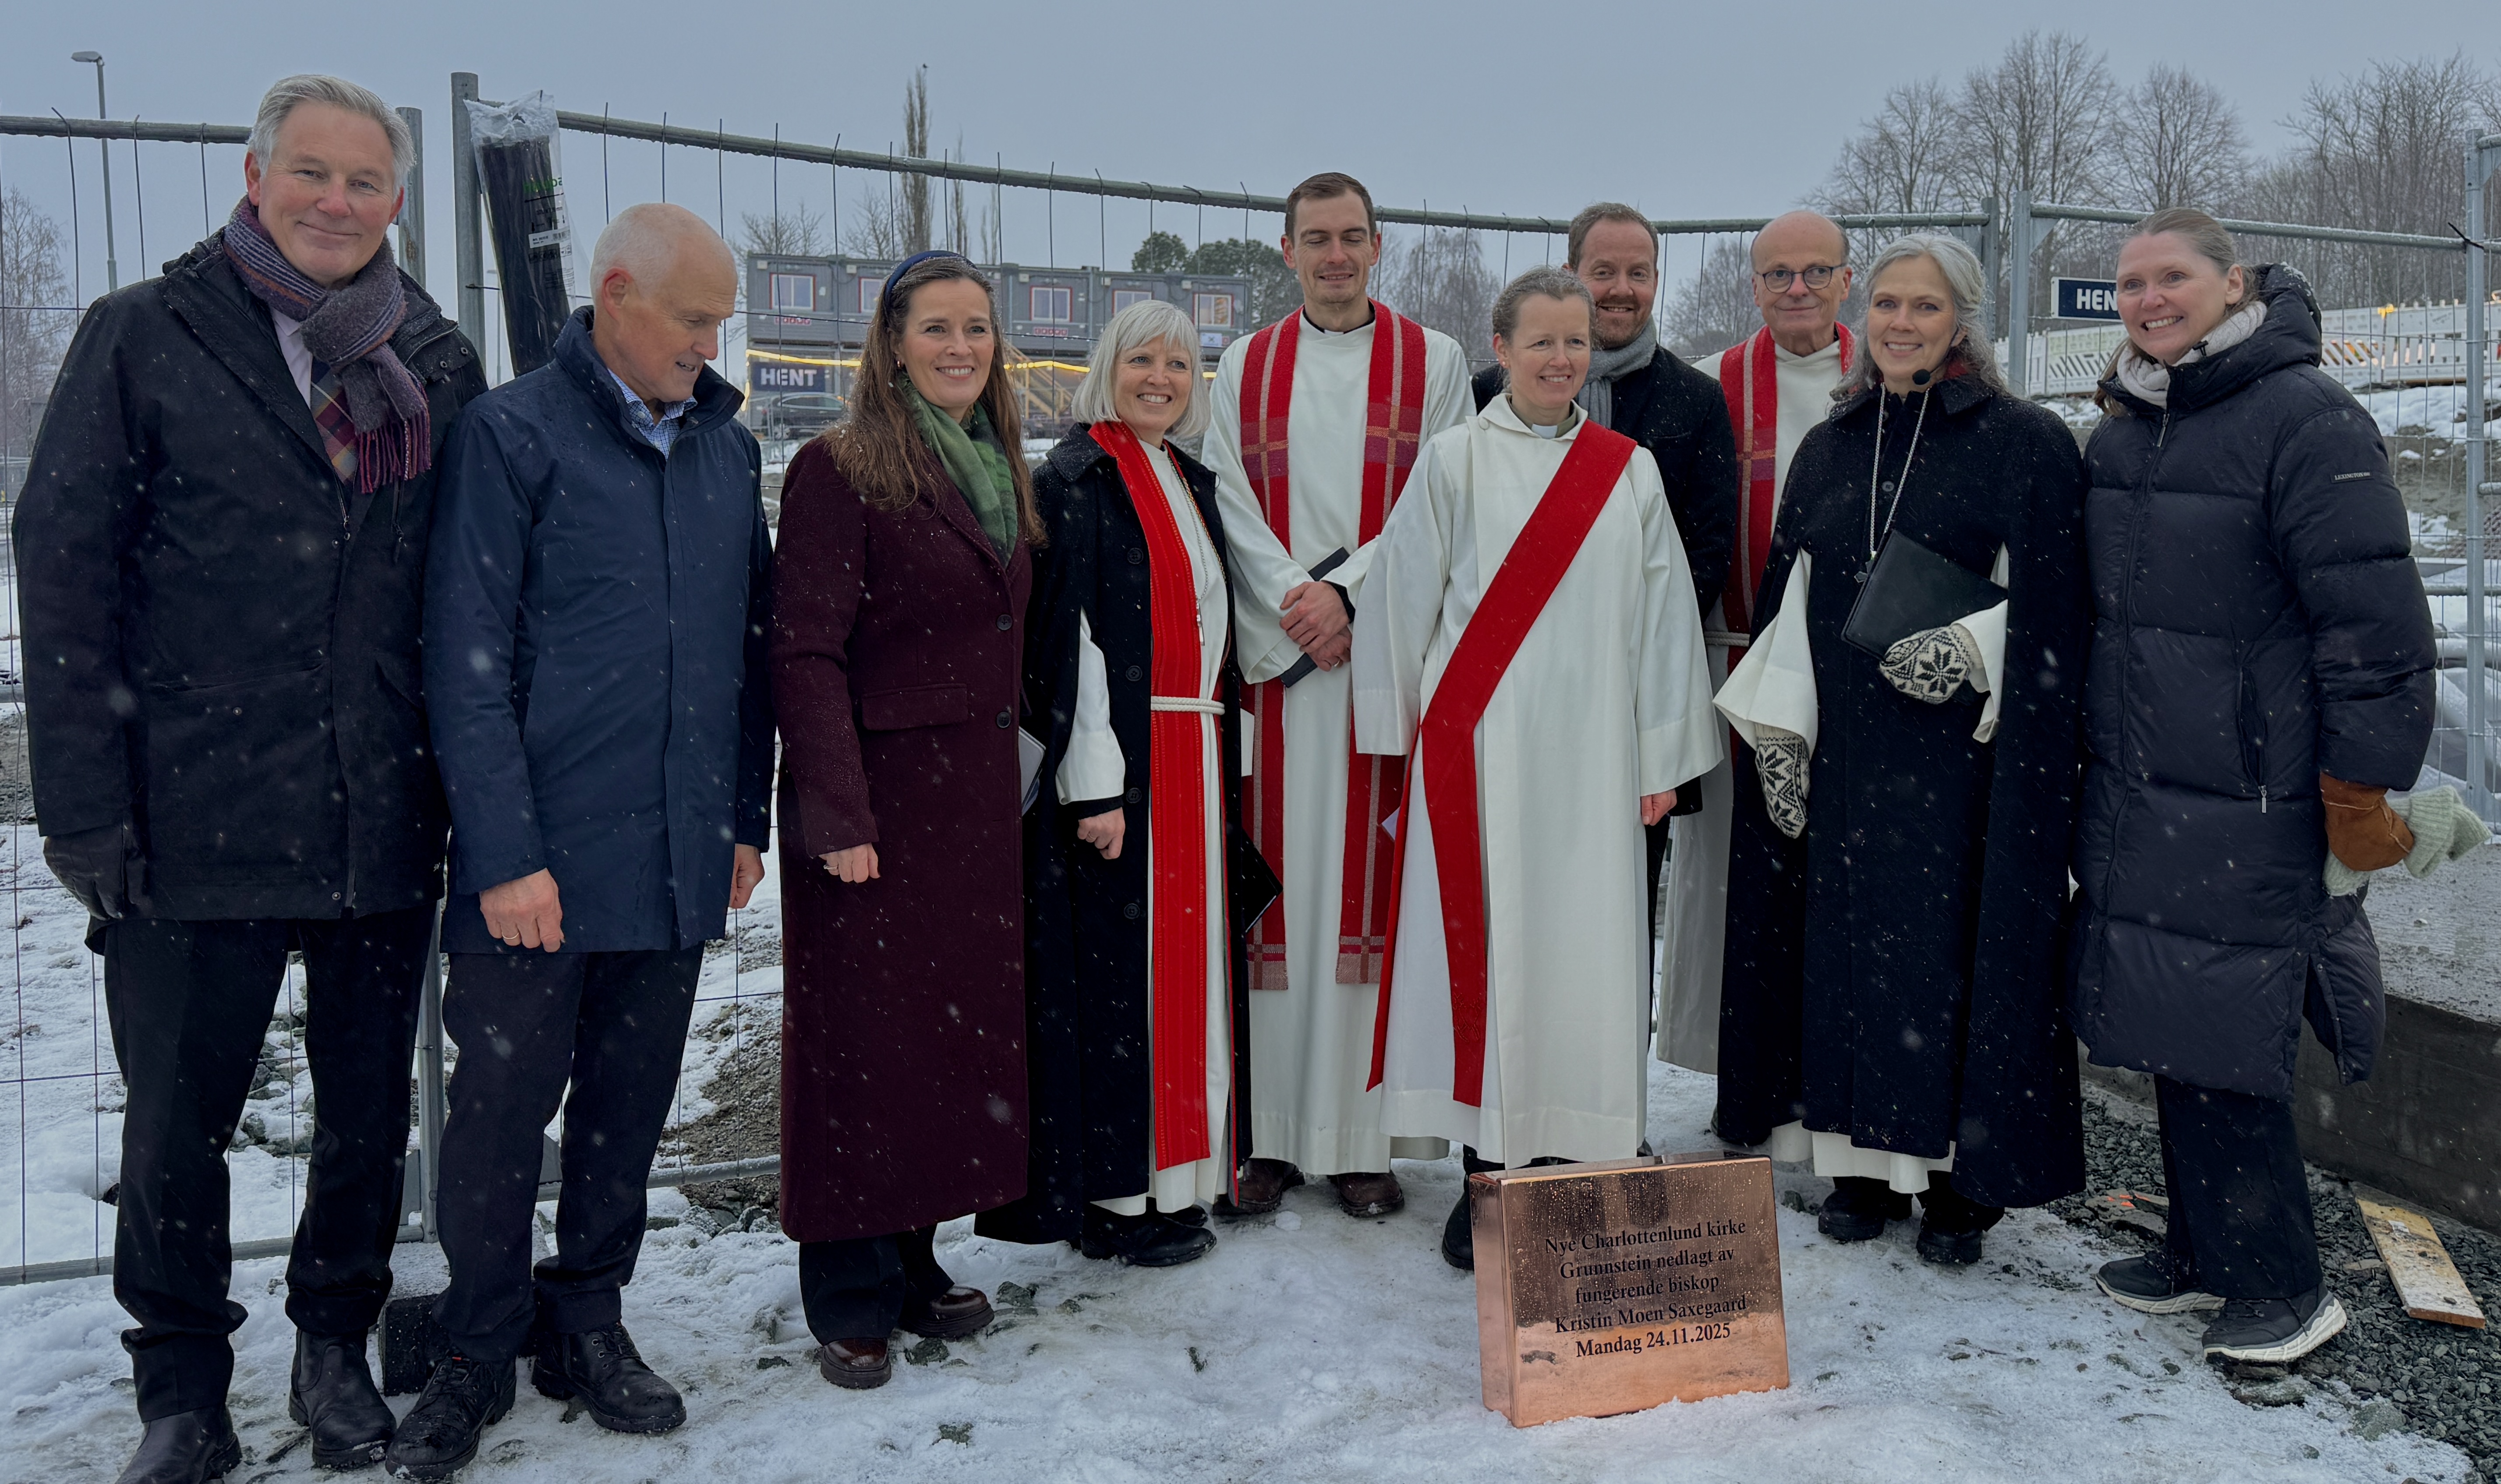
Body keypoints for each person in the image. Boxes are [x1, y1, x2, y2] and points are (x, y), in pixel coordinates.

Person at [14, 75, 484, 1484]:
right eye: (311, 175)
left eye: (363, 182)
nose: (336, 202)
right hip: (190, 820)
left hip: (380, 810)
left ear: (397, 201)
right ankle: (181, 1385)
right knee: (176, 1124)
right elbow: (67, 574)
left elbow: (466, 590)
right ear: (255, 175)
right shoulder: (144, 338)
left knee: (362, 1115)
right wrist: (84, 809)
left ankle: (331, 1349)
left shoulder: (438, 363)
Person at [387, 203, 772, 1477]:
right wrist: (502, 854)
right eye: (694, 318)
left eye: (721, 318)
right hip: (537, 869)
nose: (713, 345)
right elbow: (466, 659)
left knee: (627, 1110)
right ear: (614, 294)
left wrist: (741, 821)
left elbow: (746, 660)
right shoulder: (513, 436)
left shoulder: (725, 452)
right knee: (499, 1116)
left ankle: (587, 1319)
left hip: (674, 852)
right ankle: (476, 1345)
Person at [2070, 210, 2437, 1363]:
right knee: (2171, 1013)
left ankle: (2281, 1284)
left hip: (2255, 791)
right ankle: (2199, 1253)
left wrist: (2358, 787)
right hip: (2145, 778)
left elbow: (2372, 622)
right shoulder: (2125, 427)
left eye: (2169, 277)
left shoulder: (2304, 417)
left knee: (2229, 1026)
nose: (2145, 298)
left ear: (2232, 283)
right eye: (2128, 283)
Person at [1713, 234, 2089, 1268]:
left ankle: (1959, 1179)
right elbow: (1788, 596)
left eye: (1924, 307)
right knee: (1840, 949)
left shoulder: (2024, 441)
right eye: (1885, 303)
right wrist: (1781, 727)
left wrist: (1969, 644)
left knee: (1946, 957)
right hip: (1843, 750)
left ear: (1962, 319)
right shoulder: (1830, 444)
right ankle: (1858, 1165)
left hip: (1958, 758)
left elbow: (2058, 610)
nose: (1899, 323)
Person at [1355, 268, 1721, 1270]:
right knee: (1488, 954)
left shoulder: (1628, 469)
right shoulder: (1452, 461)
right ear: (1501, 346)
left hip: (1597, 752)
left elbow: (1659, 625)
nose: (1562, 358)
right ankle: (1490, 1172)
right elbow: (1401, 600)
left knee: (1587, 956)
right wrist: (1398, 736)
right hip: (1477, 750)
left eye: (1575, 342)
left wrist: (1662, 758)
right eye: (1541, 341)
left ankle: (1587, 1157)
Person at [771, 251, 1036, 1389]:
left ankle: (916, 1257)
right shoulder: (838, 468)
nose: (960, 348)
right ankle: (847, 1287)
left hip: (969, 803)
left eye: (976, 328)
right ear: (888, 343)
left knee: (940, 1039)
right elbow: (805, 648)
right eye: (935, 328)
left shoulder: (996, 464)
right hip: (873, 801)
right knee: (860, 1044)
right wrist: (835, 810)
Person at [1198, 172, 1474, 1220]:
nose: (1334, 255)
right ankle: (1269, 1138)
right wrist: (1288, 597)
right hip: (1279, 670)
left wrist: (1350, 597)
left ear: (1377, 244)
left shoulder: (1434, 362)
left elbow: (1440, 496)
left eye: (1351, 236)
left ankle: (1360, 1143)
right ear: (1285, 251)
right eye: (1314, 239)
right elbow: (1222, 489)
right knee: (1280, 900)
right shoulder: (1244, 367)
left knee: (1369, 902)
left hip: (1375, 662)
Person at [981, 299, 1258, 1268]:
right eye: (1142, 359)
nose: (1161, 379)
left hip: (1193, 753)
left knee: (1181, 982)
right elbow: (1076, 644)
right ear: (1107, 365)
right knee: (1115, 986)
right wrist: (1093, 785)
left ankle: (1176, 1179)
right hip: (1128, 770)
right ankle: (1113, 1192)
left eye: (1179, 366)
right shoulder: (1077, 477)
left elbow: (1214, 619)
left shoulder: (1185, 474)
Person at [1469, 207, 1739, 1136]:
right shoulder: (1478, 403)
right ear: (1570, 272)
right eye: (1602, 271)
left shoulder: (1693, 404)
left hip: (1626, 717)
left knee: (1618, 932)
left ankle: (1602, 1122)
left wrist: (1609, 673)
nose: (1621, 288)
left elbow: (1697, 560)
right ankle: (1504, 1134)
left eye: (1638, 272)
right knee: (1512, 922)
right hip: (1509, 714)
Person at [1661, 211, 1857, 1076]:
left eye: (1816, 272)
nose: (1797, 289)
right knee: (1726, 879)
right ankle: (1730, 1063)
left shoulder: (1886, 377)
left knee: (1838, 880)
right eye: (1777, 274)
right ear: (1753, 286)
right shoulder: (1714, 387)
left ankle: (1828, 1066)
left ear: (1846, 280)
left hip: (1854, 672)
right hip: (1732, 657)